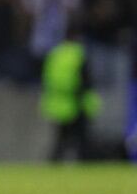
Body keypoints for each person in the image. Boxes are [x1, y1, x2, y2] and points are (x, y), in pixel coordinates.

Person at [40, 25, 102, 162]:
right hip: (76, 101)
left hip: (58, 102)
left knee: (61, 139)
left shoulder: (55, 54)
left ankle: (54, 164)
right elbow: (86, 80)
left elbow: (46, 77)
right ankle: (83, 164)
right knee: (81, 139)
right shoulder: (78, 54)